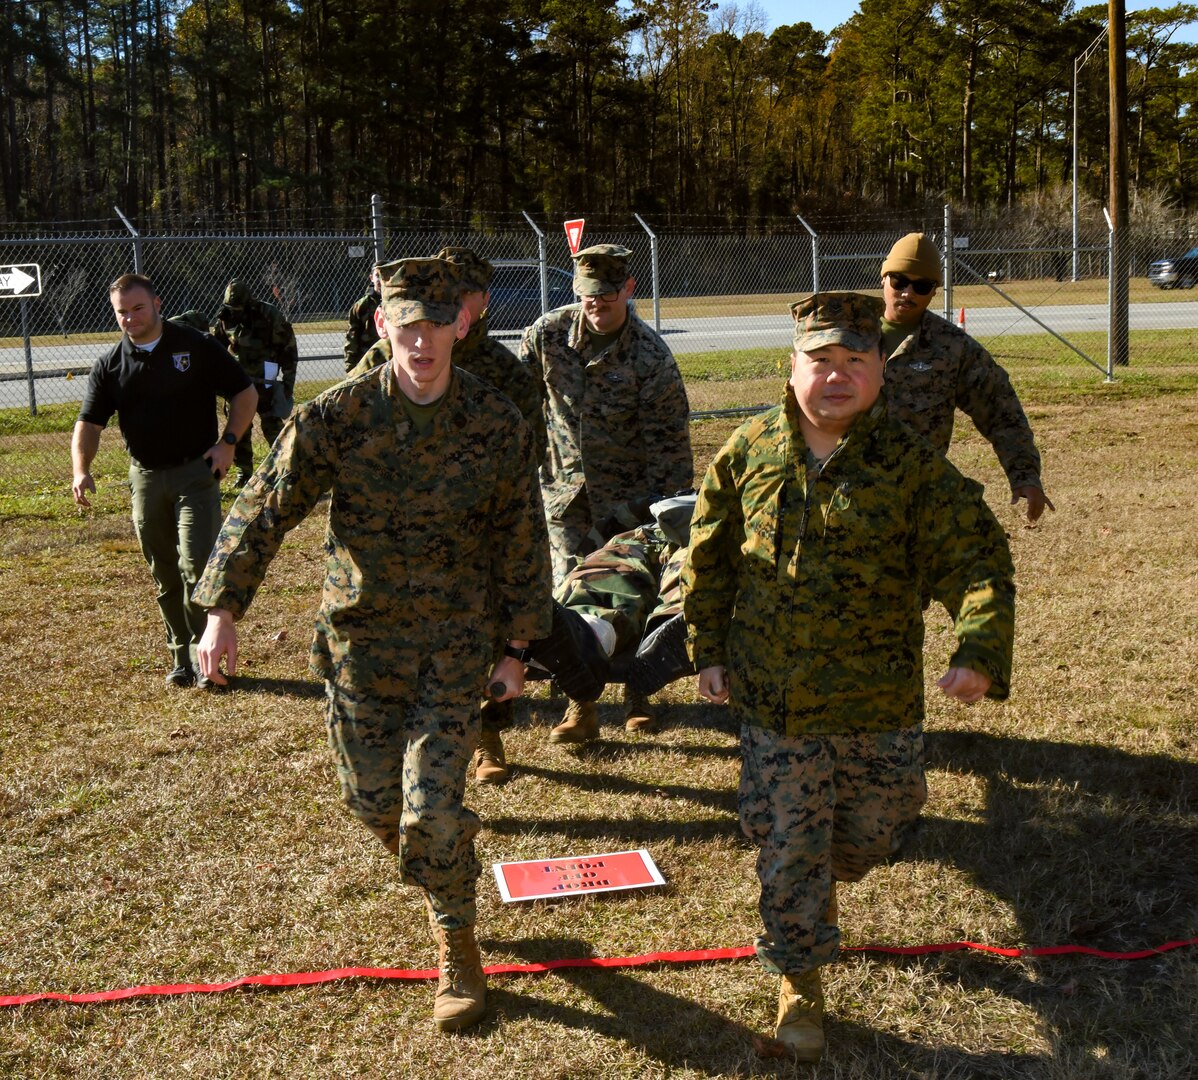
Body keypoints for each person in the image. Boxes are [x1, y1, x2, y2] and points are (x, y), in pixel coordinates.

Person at [192, 257, 552, 1035]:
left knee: (430, 810)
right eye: (406, 325)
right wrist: (222, 608)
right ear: (383, 325)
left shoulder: (495, 421)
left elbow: (523, 536)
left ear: (462, 324)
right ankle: (443, 867)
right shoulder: (341, 415)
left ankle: (457, 943)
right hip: (362, 646)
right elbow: (265, 507)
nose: (421, 343)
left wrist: (517, 646)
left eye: (436, 325)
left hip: (456, 649)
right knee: (372, 804)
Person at [682, 292, 1016, 1062]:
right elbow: (707, 559)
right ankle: (799, 980)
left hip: (878, 706)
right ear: (791, 367)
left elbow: (976, 559)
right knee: (793, 847)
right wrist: (708, 650)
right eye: (820, 360)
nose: (837, 376)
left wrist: (978, 647)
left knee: (874, 831)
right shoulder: (748, 452)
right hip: (779, 707)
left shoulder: (909, 466)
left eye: (855, 361)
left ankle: (813, 873)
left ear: (878, 372)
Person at [520, 242, 692, 736]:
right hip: (564, 496)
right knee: (570, 594)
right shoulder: (547, 334)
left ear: (628, 289)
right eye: (587, 295)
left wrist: (667, 516)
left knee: (633, 590)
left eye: (607, 295)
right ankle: (582, 708)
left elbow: (670, 444)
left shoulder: (650, 356)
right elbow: (520, 403)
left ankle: (639, 694)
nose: (596, 304)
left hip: (629, 502)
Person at [70, 273, 257, 688]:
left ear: (157, 303)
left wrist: (228, 443)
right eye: (122, 312)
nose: (130, 318)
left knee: (197, 566)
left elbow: (245, 393)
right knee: (165, 572)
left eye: (138, 308)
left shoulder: (195, 346)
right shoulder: (110, 366)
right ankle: (180, 657)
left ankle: (205, 660)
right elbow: (89, 423)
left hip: (196, 473)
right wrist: (81, 470)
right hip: (147, 478)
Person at [878, 232, 1054, 523]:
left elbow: (1000, 410)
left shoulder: (952, 347)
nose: (908, 293)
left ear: (934, 291)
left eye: (922, 286)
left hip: (918, 500)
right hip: (845, 495)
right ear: (883, 278)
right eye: (899, 281)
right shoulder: (846, 337)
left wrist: (1025, 475)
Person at [211, 278, 300, 486]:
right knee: (239, 428)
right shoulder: (225, 317)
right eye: (233, 308)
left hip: (264, 382)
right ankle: (245, 473)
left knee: (273, 426)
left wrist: (287, 384)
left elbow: (288, 349)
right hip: (238, 384)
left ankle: (287, 467)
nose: (236, 312)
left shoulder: (269, 315)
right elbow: (215, 349)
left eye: (239, 308)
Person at [342, 265, 381, 373]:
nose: (381, 279)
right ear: (371, 278)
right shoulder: (361, 306)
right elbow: (352, 338)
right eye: (378, 275)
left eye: (385, 275)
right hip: (368, 364)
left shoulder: (399, 304)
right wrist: (351, 368)